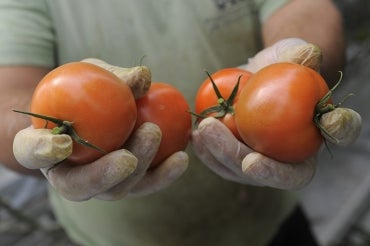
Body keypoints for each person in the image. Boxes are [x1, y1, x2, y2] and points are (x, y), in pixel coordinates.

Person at [0, 0, 350, 245]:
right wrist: (35, 142)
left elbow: (304, 6)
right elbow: (6, 96)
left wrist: (296, 57)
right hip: (118, 239)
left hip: (268, 223)